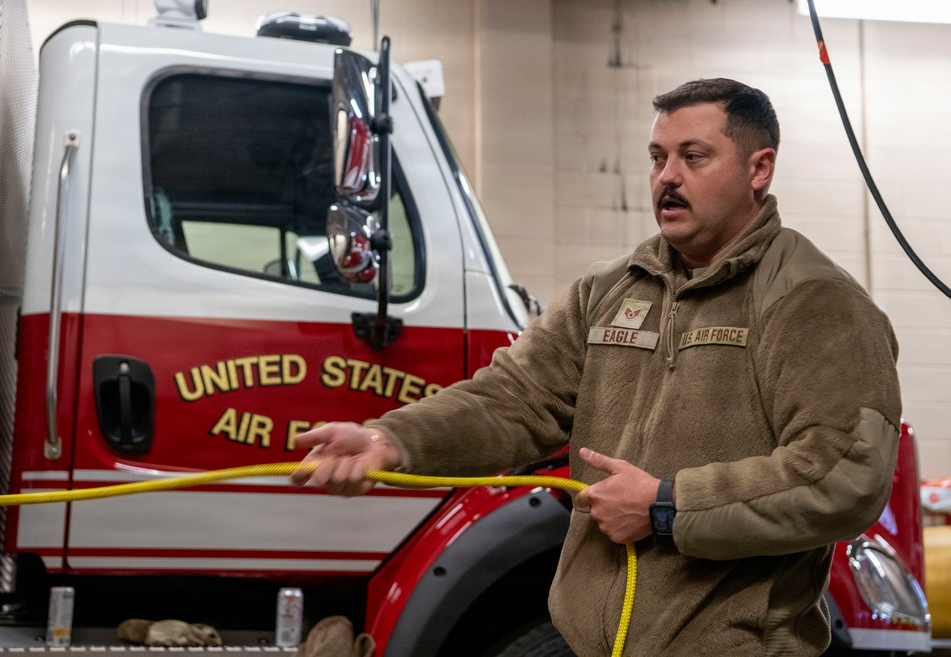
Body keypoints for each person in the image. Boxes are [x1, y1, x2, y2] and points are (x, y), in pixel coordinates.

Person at [292, 78, 901, 656]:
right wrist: (388, 440)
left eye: (693, 157)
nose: (667, 177)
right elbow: (513, 398)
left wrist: (667, 506)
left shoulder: (813, 300)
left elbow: (842, 473)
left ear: (758, 168)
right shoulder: (610, 290)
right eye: (657, 158)